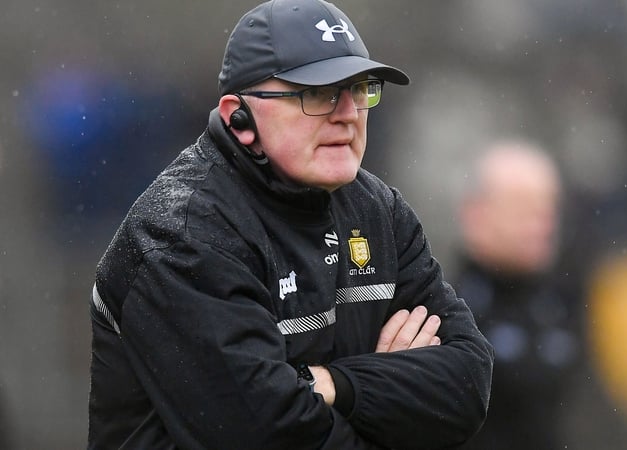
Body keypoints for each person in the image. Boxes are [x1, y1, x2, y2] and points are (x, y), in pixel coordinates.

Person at [87, 1, 493, 449]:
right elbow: (265, 435)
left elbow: (468, 385)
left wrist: (333, 386)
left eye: (360, 89)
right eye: (317, 93)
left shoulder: (380, 211)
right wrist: (391, 397)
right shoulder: (181, 233)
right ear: (237, 119)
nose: (348, 113)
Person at [453, 141, 582, 449]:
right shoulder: (446, 310)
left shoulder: (567, 303)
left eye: (549, 207)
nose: (543, 223)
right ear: (476, 215)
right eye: (522, 206)